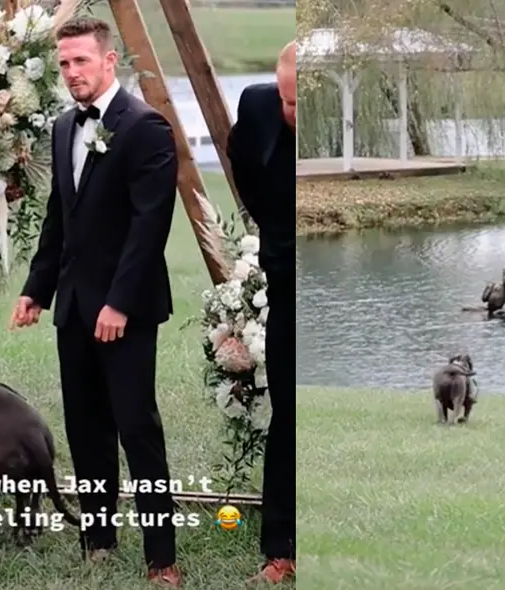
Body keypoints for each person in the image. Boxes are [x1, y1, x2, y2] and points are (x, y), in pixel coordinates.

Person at [9, 16, 182, 587]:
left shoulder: (146, 127)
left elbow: (150, 225)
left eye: (81, 60)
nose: (71, 72)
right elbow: (62, 218)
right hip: (74, 309)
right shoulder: (62, 128)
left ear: (109, 61)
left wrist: (120, 304)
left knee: (137, 428)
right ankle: (98, 539)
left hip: (124, 311)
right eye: (63, 63)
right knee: (85, 429)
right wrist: (37, 289)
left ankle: (162, 558)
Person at [226, 41, 296, 583]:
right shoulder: (256, 105)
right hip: (284, 267)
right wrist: (274, 230)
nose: (289, 112)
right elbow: (242, 166)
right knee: (289, 413)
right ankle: (280, 549)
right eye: (287, 99)